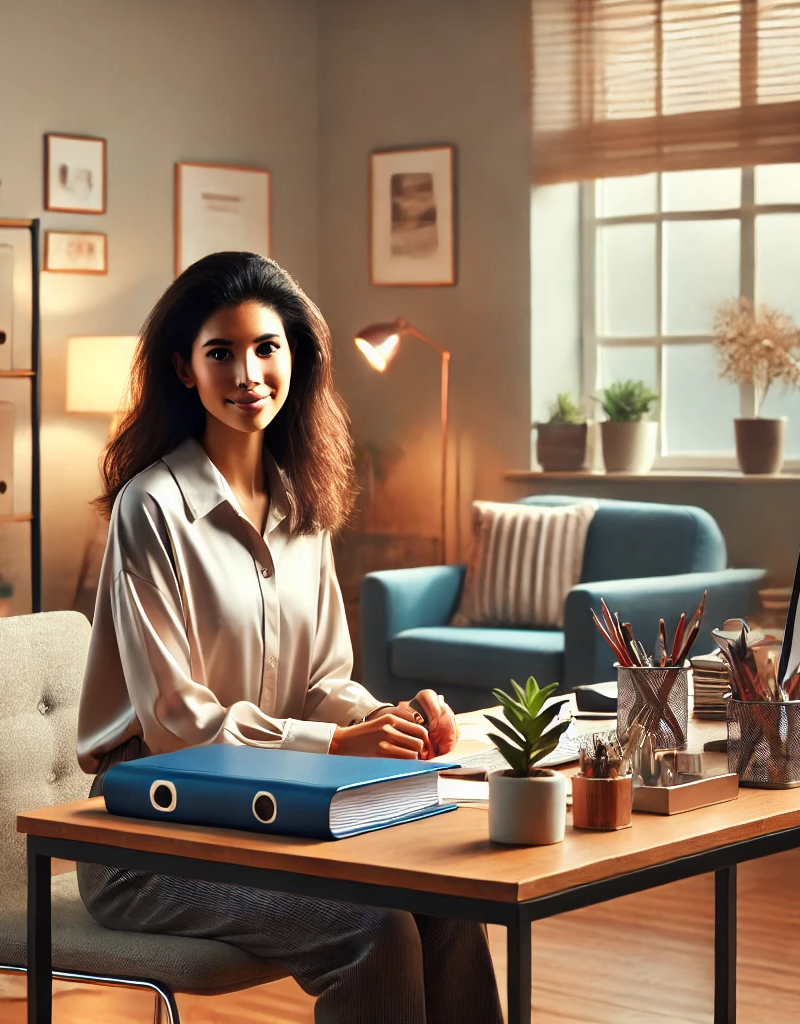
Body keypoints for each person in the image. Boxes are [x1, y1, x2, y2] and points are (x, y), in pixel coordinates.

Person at [76, 251, 503, 1024]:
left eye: (267, 347)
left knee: (448, 909)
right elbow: (178, 724)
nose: (248, 374)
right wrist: (338, 748)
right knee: (373, 932)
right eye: (221, 353)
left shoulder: (303, 505)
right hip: (148, 841)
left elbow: (323, 685)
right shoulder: (151, 510)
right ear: (184, 370)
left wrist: (391, 719)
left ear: (295, 357)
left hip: (265, 814)